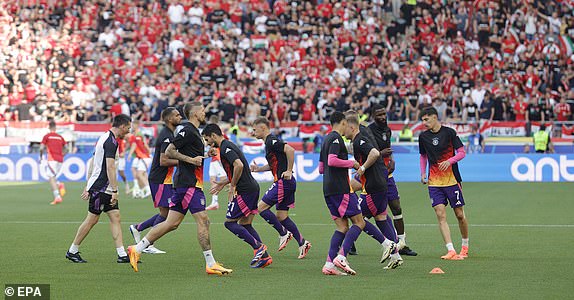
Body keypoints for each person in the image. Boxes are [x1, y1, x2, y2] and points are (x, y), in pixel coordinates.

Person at [127, 102, 232, 275]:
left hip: (186, 183)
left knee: (171, 223)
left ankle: (137, 249)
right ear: (195, 113)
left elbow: (192, 155)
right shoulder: (187, 129)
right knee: (204, 220)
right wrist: (191, 161)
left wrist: (206, 154)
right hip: (188, 183)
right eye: (203, 111)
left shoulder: (194, 132)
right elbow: (169, 151)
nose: (205, 113)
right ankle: (210, 263)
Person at [203, 123, 273, 269]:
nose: (207, 143)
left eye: (207, 139)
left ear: (214, 136)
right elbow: (238, 169)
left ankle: (258, 248)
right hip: (251, 188)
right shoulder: (226, 146)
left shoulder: (225, 148)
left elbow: (239, 166)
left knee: (230, 223)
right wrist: (223, 182)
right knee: (245, 224)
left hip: (245, 190)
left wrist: (233, 185)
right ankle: (264, 257)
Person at [65, 114, 132, 263]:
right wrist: (114, 190)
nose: (128, 131)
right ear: (122, 126)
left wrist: (88, 184)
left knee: (115, 217)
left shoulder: (104, 137)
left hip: (100, 186)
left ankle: (122, 254)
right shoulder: (111, 141)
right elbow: (110, 167)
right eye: (128, 128)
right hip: (102, 188)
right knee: (91, 220)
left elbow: (92, 162)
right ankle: (72, 250)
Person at [344, 114, 403, 269]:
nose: (343, 131)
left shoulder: (359, 140)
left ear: (351, 126)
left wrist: (363, 168)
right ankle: (395, 255)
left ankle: (342, 255)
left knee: (358, 218)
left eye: (344, 127)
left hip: (374, 186)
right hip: (380, 184)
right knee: (381, 218)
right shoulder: (358, 139)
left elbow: (375, 153)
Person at [250, 117, 312, 259]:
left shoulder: (271, 141)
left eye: (254, 129)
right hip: (287, 182)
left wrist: (289, 170)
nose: (253, 133)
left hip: (283, 182)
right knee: (282, 216)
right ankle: (303, 243)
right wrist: (258, 169)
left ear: (263, 128)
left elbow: (290, 149)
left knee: (261, 208)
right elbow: (273, 165)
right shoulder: (269, 143)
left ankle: (284, 233)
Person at [129, 107, 182, 254]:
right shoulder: (166, 135)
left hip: (165, 179)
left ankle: (138, 229)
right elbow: (163, 160)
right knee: (167, 214)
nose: (180, 117)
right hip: (160, 179)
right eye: (177, 115)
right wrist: (183, 161)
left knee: (167, 214)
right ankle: (147, 243)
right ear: (169, 119)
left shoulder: (169, 134)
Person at [419, 107, 469, 260]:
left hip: (452, 180)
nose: (424, 123)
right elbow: (423, 156)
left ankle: (465, 246)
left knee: (459, 215)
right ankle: (450, 249)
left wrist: (449, 161)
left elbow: (462, 152)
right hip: (434, 182)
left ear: (435, 117)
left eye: (426, 119)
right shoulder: (423, 137)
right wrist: (422, 173)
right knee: (440, 214)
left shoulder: (449, 133)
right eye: (422, 120)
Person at [367, 105, 418, 256]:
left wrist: (392, 160)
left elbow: (388, 149)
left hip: (387, 174)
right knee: (366, 214)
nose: (383, 117)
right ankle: (348, 242)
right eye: (379, 114)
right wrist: (381, 154)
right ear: (373, 116)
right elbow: (367, 153)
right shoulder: (368, 131)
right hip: (374, 176)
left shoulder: (387, 130)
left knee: (396, 208)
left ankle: (402, 244)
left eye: (384, 113)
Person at [319, 112, 365, 276]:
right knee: (359, 222)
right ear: (343, 122)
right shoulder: (337, 139)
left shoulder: (325, 140)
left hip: (328, 189)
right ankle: (342, 256)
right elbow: (331, 161)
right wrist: (351, 163)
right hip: (340, 188)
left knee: (342, 227)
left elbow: (321, 168)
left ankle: (329, 265)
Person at [39, 120, 67, 205]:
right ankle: (59, 184)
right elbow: (67, 148)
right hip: (60, 160)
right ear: (55, 127)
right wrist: (62, 155)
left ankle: (57, 196)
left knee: (51, 177)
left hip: (52, 159)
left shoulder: (47, 136)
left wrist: (40, 156)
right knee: (52, 177)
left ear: (49, 127)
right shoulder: (60, 137)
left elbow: (41, 148)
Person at [206, 115, 226, 211]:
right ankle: (214, 202)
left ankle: (237, 196)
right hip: (213, 160)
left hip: (218, 159)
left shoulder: (219, 134)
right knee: (213, 180)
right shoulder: (210, 135)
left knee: (224, 180)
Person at [128, 121, 152, 198]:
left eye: (133, 125)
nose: (132, 126)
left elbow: (136, 145)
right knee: (142, 174)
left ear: (137, 125)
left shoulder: (138, 134)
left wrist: (129, 154)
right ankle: (141, 190)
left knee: (139, 174)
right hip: (140, 157)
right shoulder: (135, 134)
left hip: (144, 156)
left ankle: (148, 189)